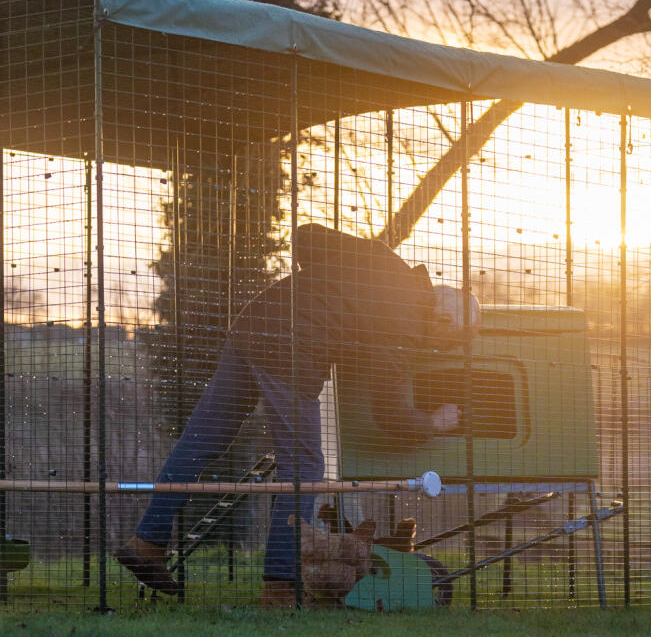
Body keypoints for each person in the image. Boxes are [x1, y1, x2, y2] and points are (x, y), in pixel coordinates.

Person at [116, 223, 462, 604]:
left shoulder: (384, 260)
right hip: (291, 348)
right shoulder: (406, 323)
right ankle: (280, 585)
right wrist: (434, 421)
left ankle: (146, 542)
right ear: (443, 320)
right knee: (304, 466)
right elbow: (391, 416)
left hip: (254, 323)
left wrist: (322, 288)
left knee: (203, 440)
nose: (444, 350)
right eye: (453, 342)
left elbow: (307, 235)